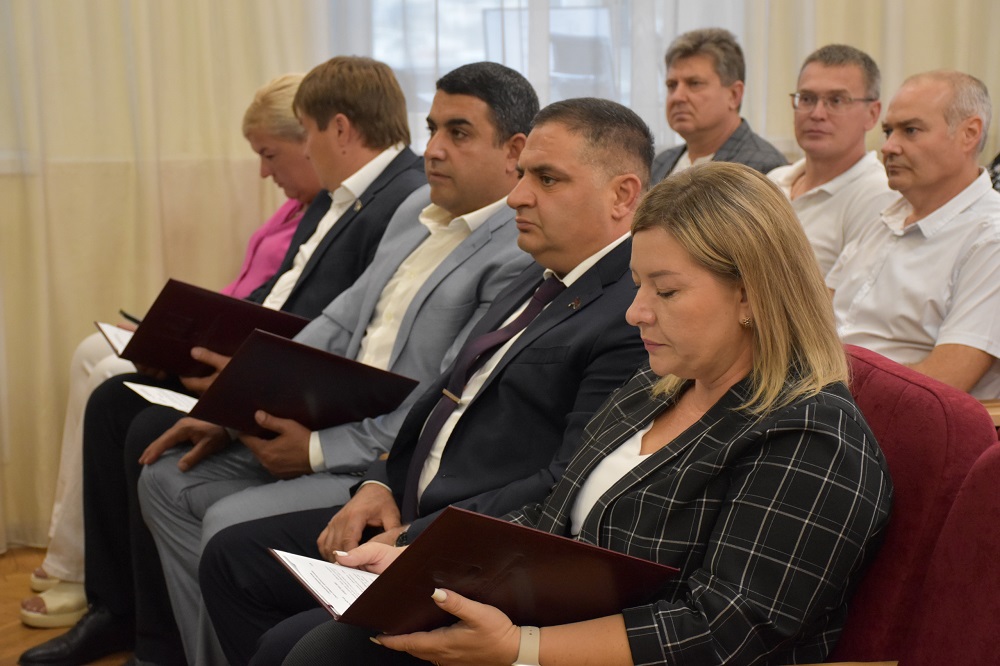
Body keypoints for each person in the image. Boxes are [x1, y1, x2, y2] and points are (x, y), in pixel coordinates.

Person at [283, 161, 894, 666]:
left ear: (751, 295)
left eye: (666, 290)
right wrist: (423, 566)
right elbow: (554, 515)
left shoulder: (811, 435)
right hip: (548, 625)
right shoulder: (658, 385)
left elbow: (721, 630)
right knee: (323, 645)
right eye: (637, 285)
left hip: (590, 650)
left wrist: (521, 649)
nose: (636, 312)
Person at [197, 97, 653, 665]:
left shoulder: (631, 313)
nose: (517, 196)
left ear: (622, 195)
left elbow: (564, 480)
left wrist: (415, 538)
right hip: (406, 507)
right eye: (522, 175)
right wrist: (377, 482)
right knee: (233, 560)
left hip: (474, 544)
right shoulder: (540, 273)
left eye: (547, 179)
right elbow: (443, 395)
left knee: (294, 649)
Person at [18, 56, 427, 666]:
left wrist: (240, 386)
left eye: (303, 134)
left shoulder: (400, 200)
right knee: (114, 400)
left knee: (141, 424)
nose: (431, 149)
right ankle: (121, 613)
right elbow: (306, 307)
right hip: (284, 374)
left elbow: (354, 341)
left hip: (321, 407)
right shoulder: (346, 197)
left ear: (338, 129)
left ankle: (156, 639)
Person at [131, 60, 538, 666]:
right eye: (431, 128)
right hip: (323, 417)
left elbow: (444, 394)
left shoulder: (516, 249)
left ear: (514, 152)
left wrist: (318, 450)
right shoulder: (417, 209)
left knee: (226, 525)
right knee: (164, 480)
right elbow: (338, 322)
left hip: (373, 453)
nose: (432, 149)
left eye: (459, 133)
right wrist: (233, 407)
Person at [19, 72, 325, 630]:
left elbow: (293, 322)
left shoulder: (325, 217)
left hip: (251, 371)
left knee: (113, 387)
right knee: (97, 361)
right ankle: (85, 574)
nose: (264, 172)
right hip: (230, 350)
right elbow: (248, 298)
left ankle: (85, 574)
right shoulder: (292, 212)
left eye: (269, 155)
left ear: (310, 140)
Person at [828, 70, 1000, 398]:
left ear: (969, 134)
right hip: (827, 400)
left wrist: (822, 389)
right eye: (888, 131)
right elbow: (815, 314)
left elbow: (942, 383)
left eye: (910, 130)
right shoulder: (884, 215)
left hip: (888, 415)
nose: (888, 147)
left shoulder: (991, 239)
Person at [768, 45, 896, 275]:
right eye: (807, 99)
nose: (817, 114)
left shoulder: (878, 195)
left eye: (836, 100)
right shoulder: (774, 181)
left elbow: (847, 296)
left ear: (872, 114)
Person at [651, 28, 786, 182]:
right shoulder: (660, 163)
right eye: (671, 85)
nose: (677, 97)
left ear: (734, 95)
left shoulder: (761, 168)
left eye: (694, 83)